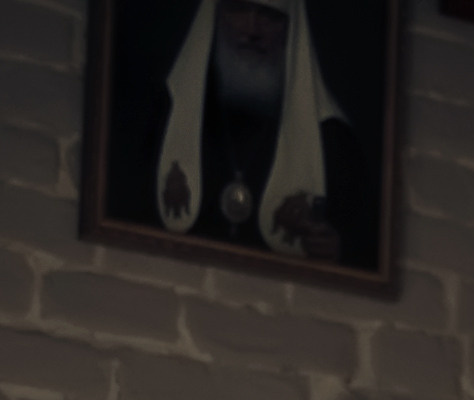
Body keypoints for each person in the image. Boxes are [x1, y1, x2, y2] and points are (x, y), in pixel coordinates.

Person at [104, 0, 376, 269]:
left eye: (268, 15)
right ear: (216, 15)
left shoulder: (332, 140)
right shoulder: (161, 114)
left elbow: (364, 247)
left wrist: (337, 247)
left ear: (290, 29)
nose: (252, 29)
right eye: (238, 9)